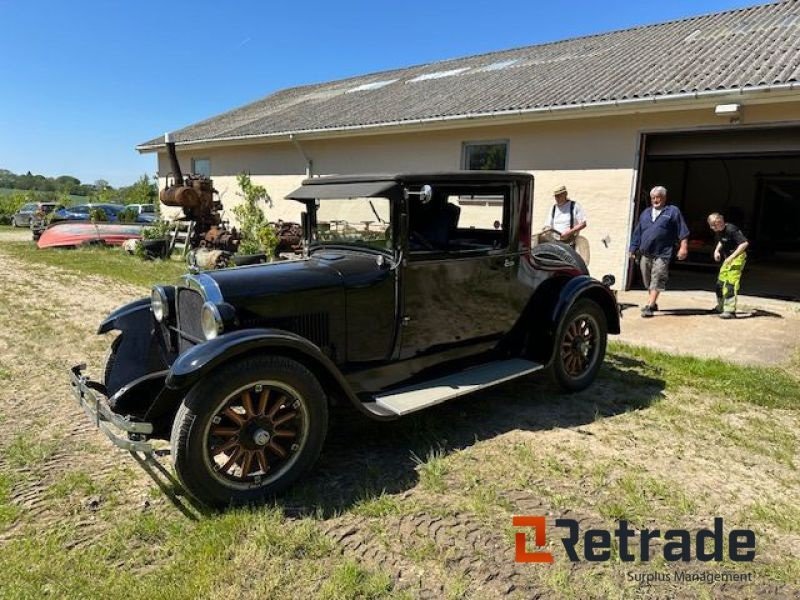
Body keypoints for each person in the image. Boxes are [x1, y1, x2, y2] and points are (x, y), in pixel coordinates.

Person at [629, 186, 690, 318]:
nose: (656, 200)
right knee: (647, 279)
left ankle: (650, 306)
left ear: (664, 198)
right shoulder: (645, 213)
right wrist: (632, 248)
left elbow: (682, 230)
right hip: (645, 252)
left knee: (657, 277)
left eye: (658, 197)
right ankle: (653, 301)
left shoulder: (672, 211)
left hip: (663, 252)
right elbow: (638, 232)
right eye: (653, 198)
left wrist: (683, 247)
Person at [707, 212, 749, 319]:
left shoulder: (731, 229)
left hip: (737, 258)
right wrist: (716, 251)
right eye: (713, 226)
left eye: (717, 224)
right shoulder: (719, 231)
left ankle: (730, 310)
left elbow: (744, 243)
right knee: (720, 284)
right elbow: (722, 240)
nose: (715, 228)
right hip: (728, 259)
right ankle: (720, 307)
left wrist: (732, 257)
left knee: (730, 284)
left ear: (721, 221)